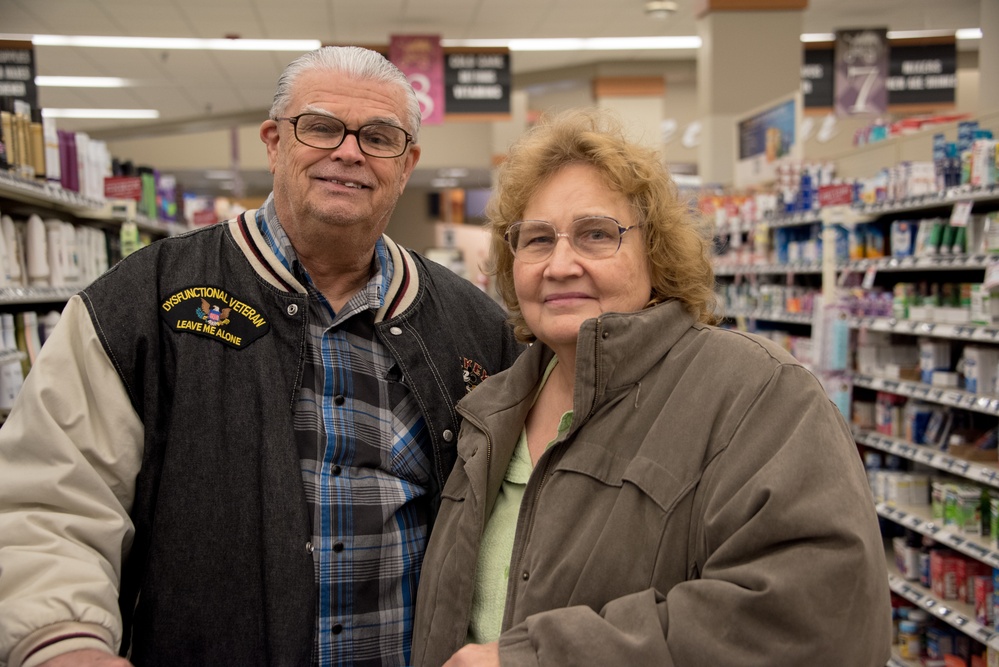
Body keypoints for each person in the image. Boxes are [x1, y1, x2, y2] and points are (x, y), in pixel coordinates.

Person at [0, 46, 522, 667]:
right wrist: (65, 643)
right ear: (274, 142)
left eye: (379, 137)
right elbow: (51, 503)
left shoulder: (476, 327)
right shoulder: (140, 305)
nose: (349, 151)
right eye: (321, 126)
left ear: (406, 164)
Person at [411, 108, 892, 667]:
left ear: (656, 251)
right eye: (537, 239)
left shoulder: (759, 394)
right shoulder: (490, 410)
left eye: (596, 235)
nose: (560, 264)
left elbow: (823, 619)